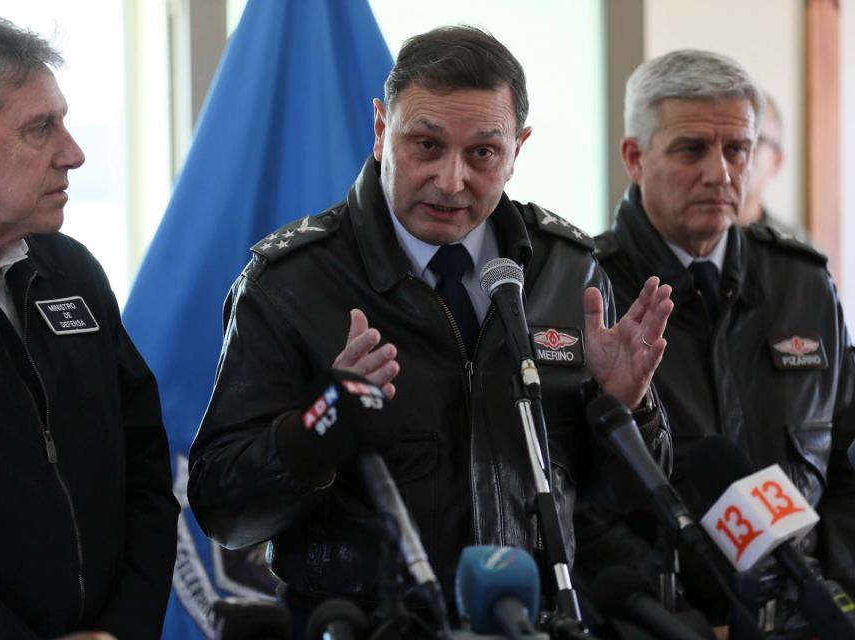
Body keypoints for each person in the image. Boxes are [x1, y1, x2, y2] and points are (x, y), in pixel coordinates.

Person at [188, 25, 673, 630]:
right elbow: (223, 511)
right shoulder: (290, 283)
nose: (451, 181)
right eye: (426, 146)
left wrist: (624, 409)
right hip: (367, 627)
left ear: (517, 150)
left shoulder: (565, 271)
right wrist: (320, 426)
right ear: (379, 132)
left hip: (530, 622)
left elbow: (628, 511)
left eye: (483, 153)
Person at [0, 12, 178, 639]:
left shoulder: (69, 269)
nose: (73, 153)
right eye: (39, 129)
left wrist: (120, 630)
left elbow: (148, 474)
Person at [577, 48, 855, 629]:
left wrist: (828, 594)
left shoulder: (802, 283)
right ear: (635, 157)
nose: (720, 173)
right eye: (691, 149)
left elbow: (848, 465)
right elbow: (571, 495)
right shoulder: (584, 291)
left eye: (737, 149)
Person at [739, 92, 809, 239]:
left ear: (777, 162)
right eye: (732, 143)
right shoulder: (683, 238)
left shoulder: (798, 250)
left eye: (754, 140)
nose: (739, 153)